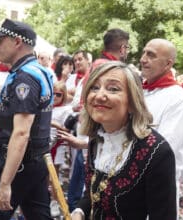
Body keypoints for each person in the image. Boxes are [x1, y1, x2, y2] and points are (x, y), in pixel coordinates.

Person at [71, 61, 176, 220]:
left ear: (132, 102)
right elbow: (95, 193)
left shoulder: (157, 152)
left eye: (113, 89)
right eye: (94, 87)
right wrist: (79, 212)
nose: (99, 95)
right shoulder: (97, 138)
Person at [0, 18, 54, 220]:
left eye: (0, 40)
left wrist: (4, 184)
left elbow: (21, 133)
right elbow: (14, 124)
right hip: (34, 161)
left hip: (19, 163)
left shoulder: (24, 78)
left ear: (17, 42)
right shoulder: (36, 71)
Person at [140, 39, 183, 209]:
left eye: (151, 55)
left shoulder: (178, 98)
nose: (143, 59)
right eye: (144, 53)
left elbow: (163, 148)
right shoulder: (140, 90)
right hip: (130, 185)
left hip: (157, 186)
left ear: (168, 64)